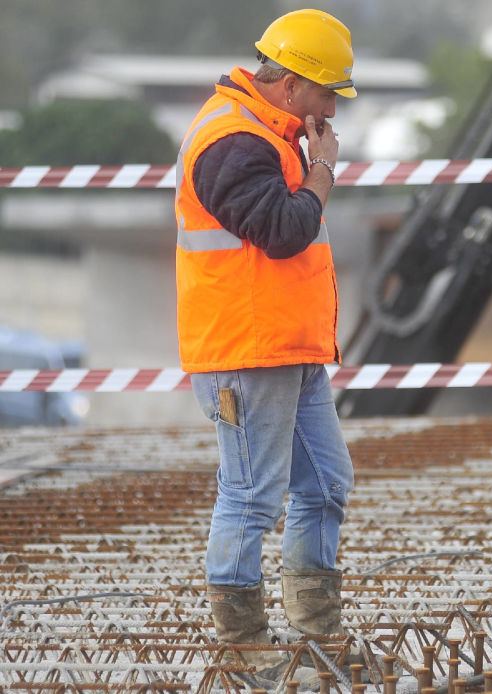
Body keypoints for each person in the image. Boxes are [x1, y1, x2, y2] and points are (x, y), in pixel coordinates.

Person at [173, 8, 357, 683]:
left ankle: (315, 632)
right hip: (245, 353)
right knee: (251, 494)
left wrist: (309, 165)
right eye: (328, 92)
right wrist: (324, 172)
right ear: (291, 86)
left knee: (327, 483)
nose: (332, 107)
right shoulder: (232, 142)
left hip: (288, 350)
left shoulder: (268, 136)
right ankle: (242, 643)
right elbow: (282, 231)